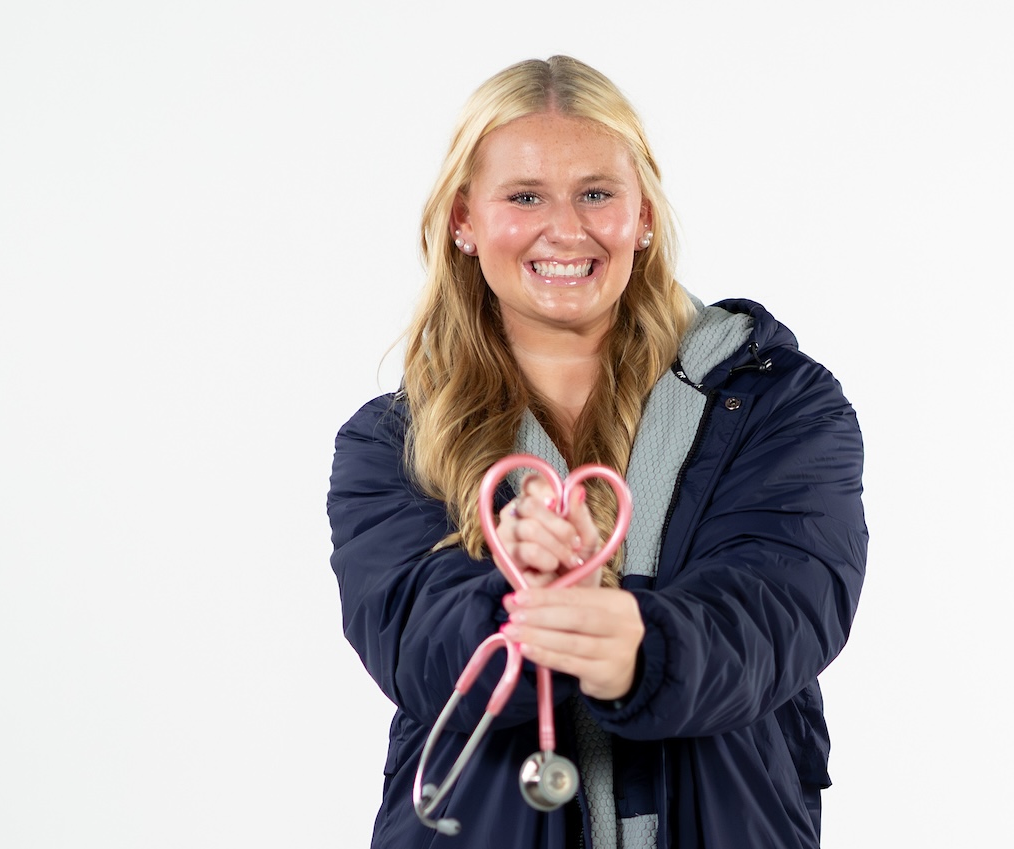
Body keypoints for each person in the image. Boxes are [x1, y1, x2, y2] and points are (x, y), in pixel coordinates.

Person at [327, 54, 867, 849]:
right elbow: (416, 641)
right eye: (523, 197)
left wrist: (644, 650)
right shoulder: (389, 444)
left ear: (642, 215)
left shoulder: (779, 403)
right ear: (463, 221)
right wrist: (516, 602)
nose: (565, 229)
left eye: (595, 194)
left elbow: (786, 606)